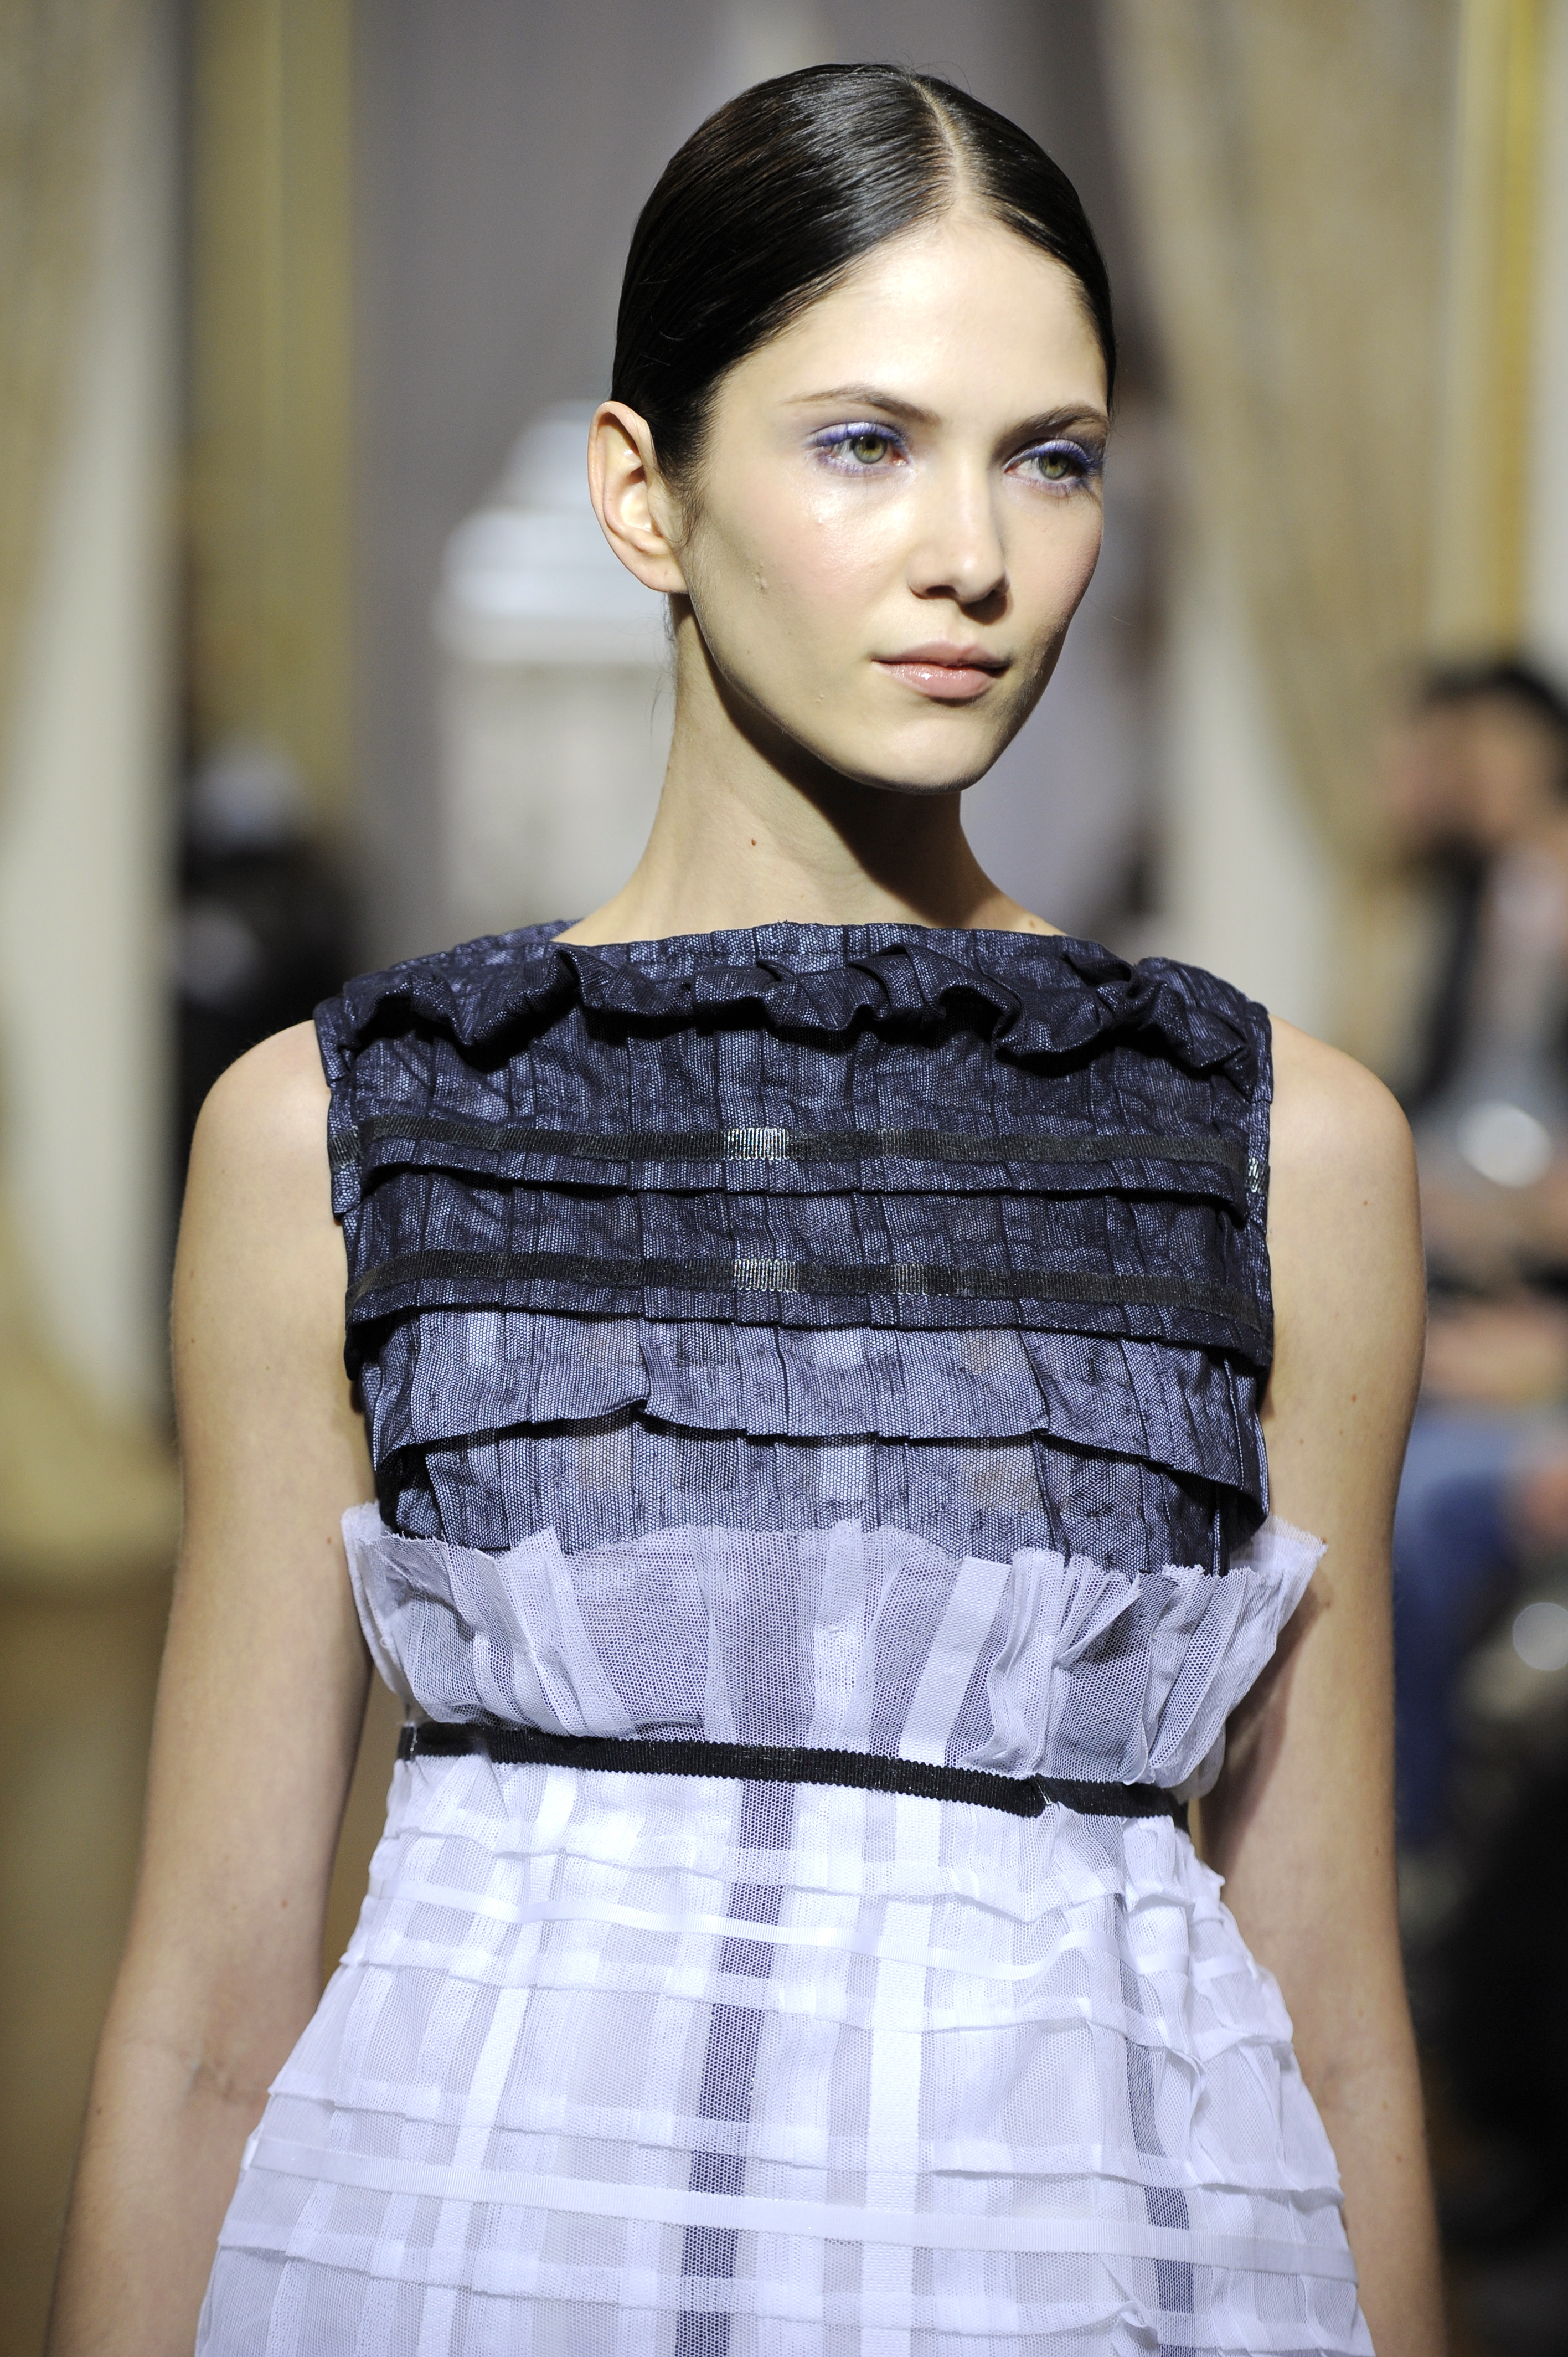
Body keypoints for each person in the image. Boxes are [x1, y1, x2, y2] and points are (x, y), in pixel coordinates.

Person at [48, 65, 1441, 2357]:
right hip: (462, 2268)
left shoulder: (1287, 1152)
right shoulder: (344, 1133)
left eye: (1053, 457)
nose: (974, 553)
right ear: (645, 492)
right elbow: (205, 2012)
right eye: (864, 441)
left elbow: (1333, 2019)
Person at [1378, 661, 1568, 1847]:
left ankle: (1406, 1857)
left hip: (1538, 1357)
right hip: (1492, 1312)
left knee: (1407, 1510)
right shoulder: (1463, 910)